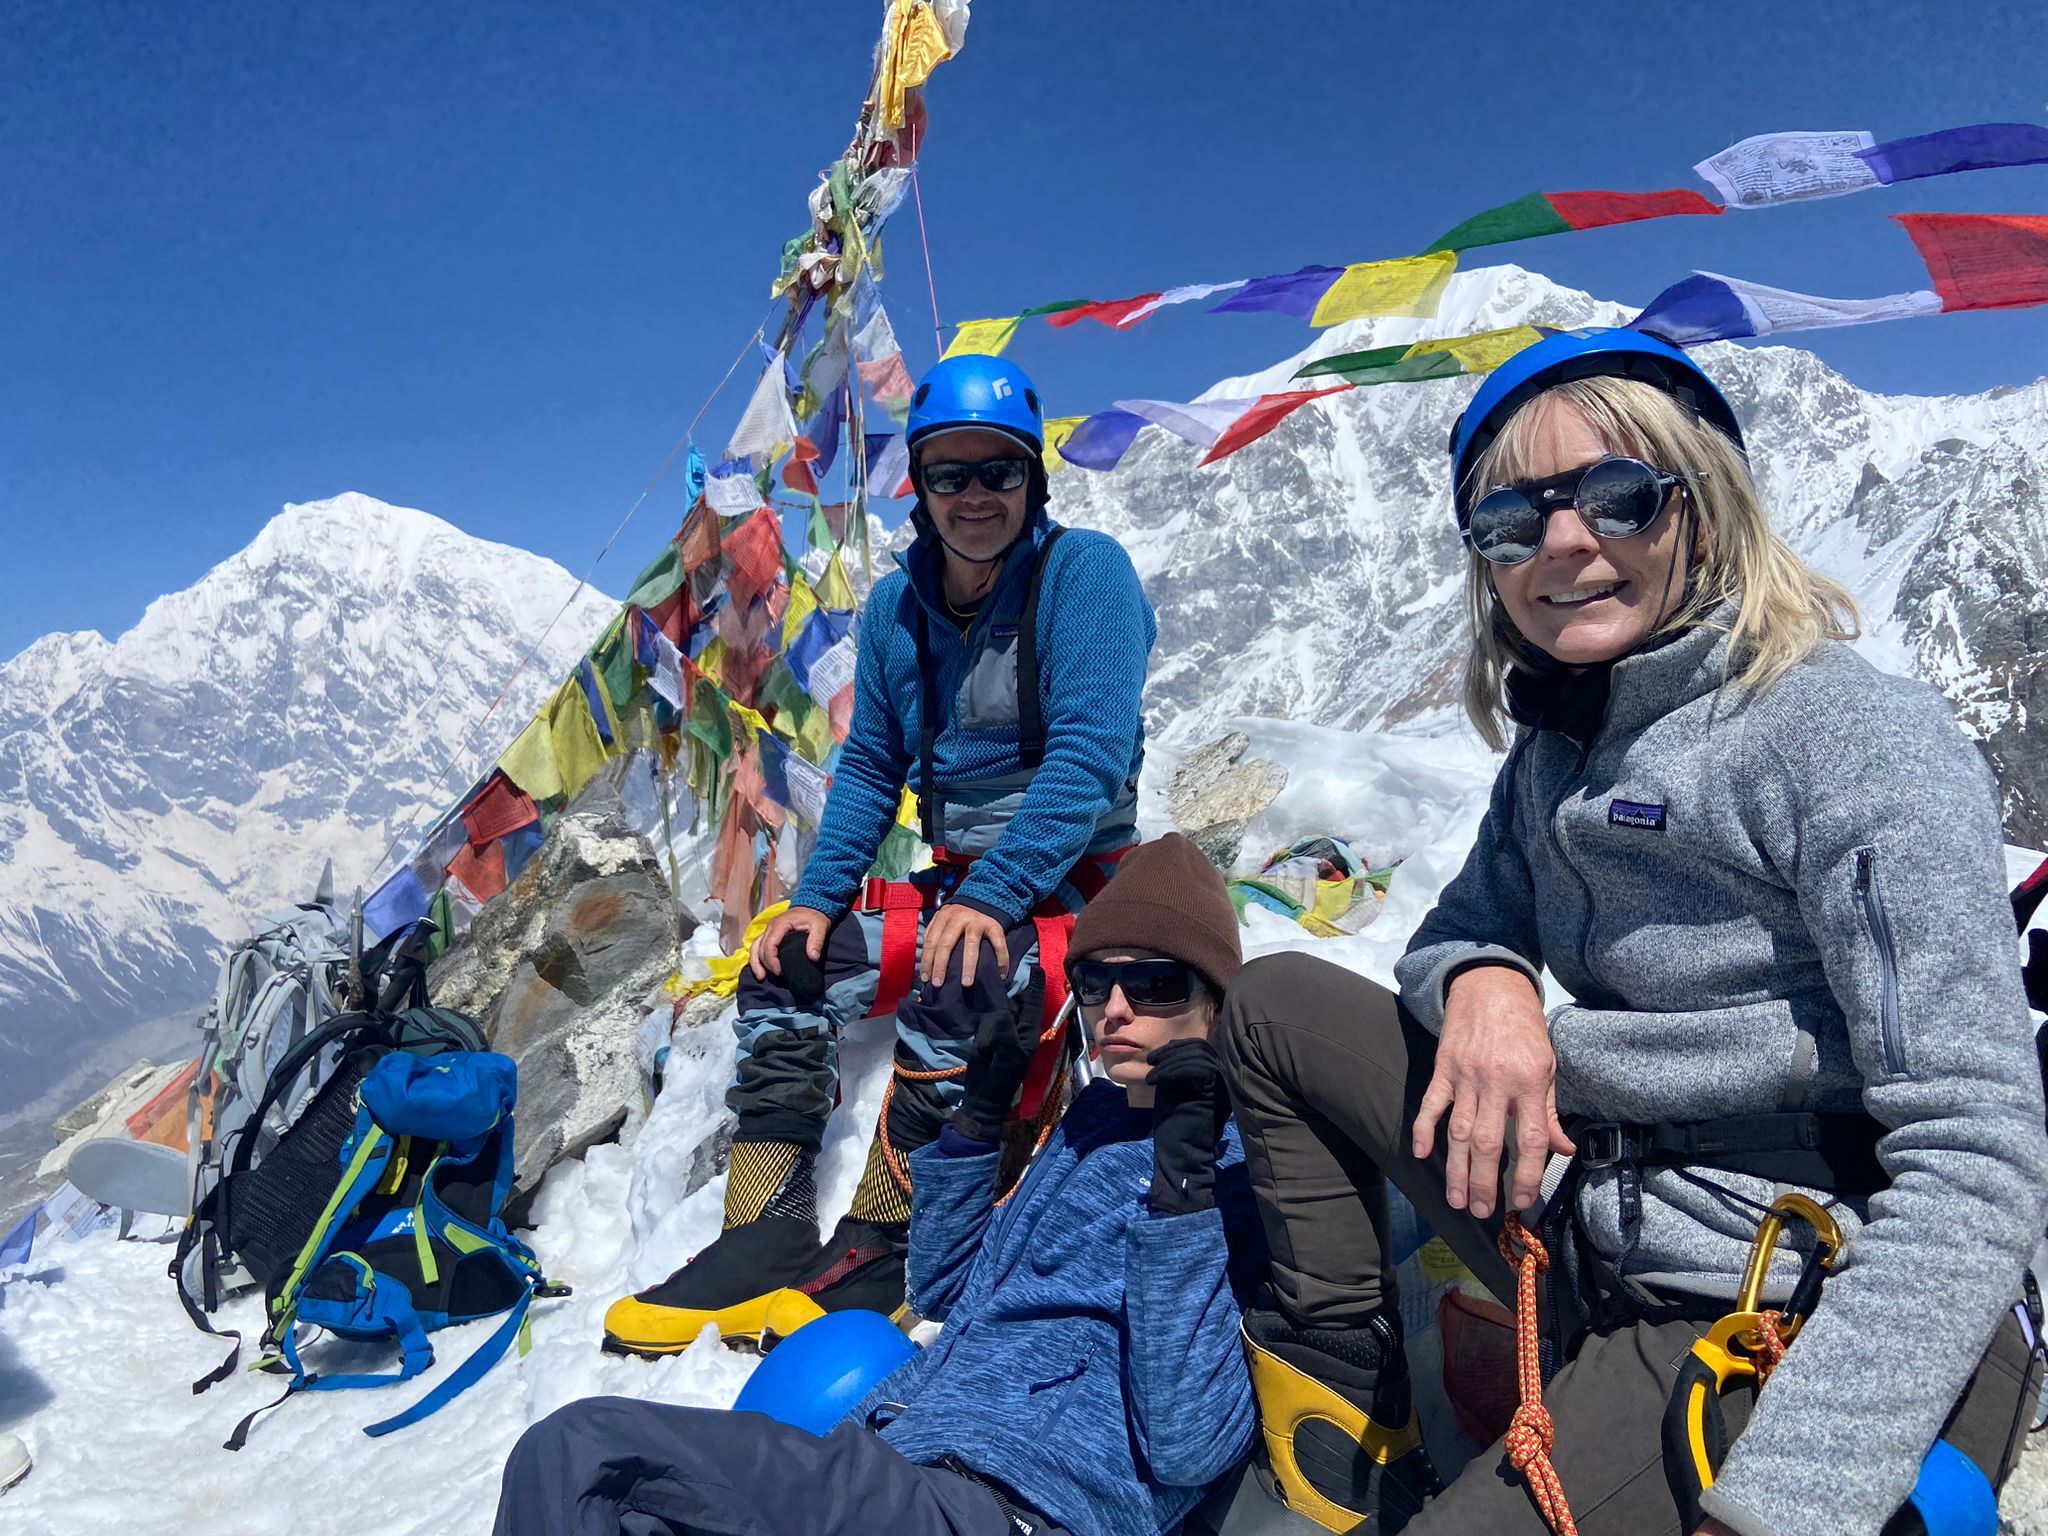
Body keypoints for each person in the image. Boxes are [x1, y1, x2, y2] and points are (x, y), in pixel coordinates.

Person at [1216, 328, 2048, 1536]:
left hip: (1783, 1282)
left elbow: (1974, 1153)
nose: (1564, 543)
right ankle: (1348, 1416)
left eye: (1615, 496)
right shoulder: (1563, 744)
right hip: (1594, 1207)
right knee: (1278, 1004)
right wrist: (1487, 984)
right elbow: (1454, 929)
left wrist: (1782, 1501)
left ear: (1699, 505)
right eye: (1512, 519)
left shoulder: (1842, 739)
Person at [603, 353, 1156, 1354]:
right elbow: (868, 771)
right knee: (787, 969)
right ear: (923, 487)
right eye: (950, 473)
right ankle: (760, 1237)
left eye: (998, 471)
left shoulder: (1084, 577)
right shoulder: (901, 611)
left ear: (1032, 479)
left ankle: (888, 1238)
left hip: (1077, 887)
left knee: (964, 978)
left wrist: (989, 899)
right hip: (960, 884)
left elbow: (1086, 761)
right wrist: (813, 901)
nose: (974, 494)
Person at [498, 835, 1264, 1536]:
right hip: (912, 1460)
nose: (1117, 1009)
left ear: (1219, 1000)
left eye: (1156, 984)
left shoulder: (1249, 1173)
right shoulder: (1097, 1120)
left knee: (585, 1457)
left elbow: (1189, 1444)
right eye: (1097, 982)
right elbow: (940, 1290)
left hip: (1016, 1504)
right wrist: (976, 1124)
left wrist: (1183, 1195)